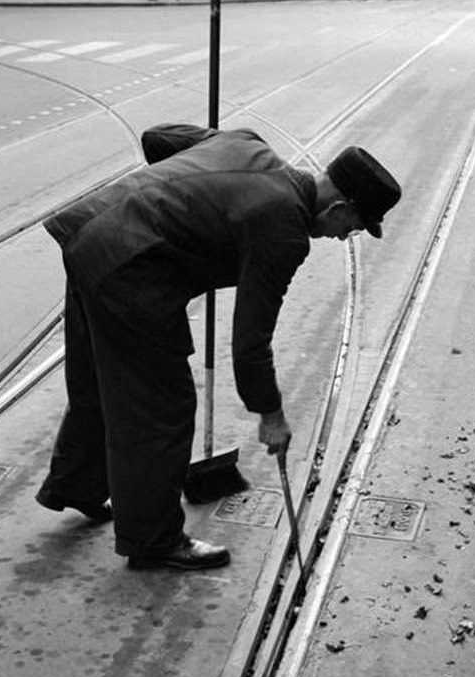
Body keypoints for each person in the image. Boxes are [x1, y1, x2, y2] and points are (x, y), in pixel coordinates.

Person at [36, 124, 401, 570]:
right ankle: (152, 541)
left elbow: (159, 139)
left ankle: (77, 484)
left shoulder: (248, 143)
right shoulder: (283, 230)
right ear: (339, 206)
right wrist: (271, 416)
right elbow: (251, 342)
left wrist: (179, 211)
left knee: (100, 379)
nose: (346, 236)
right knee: (160, 407)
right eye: (355, 226)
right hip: (131, 272)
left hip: (91, 231)